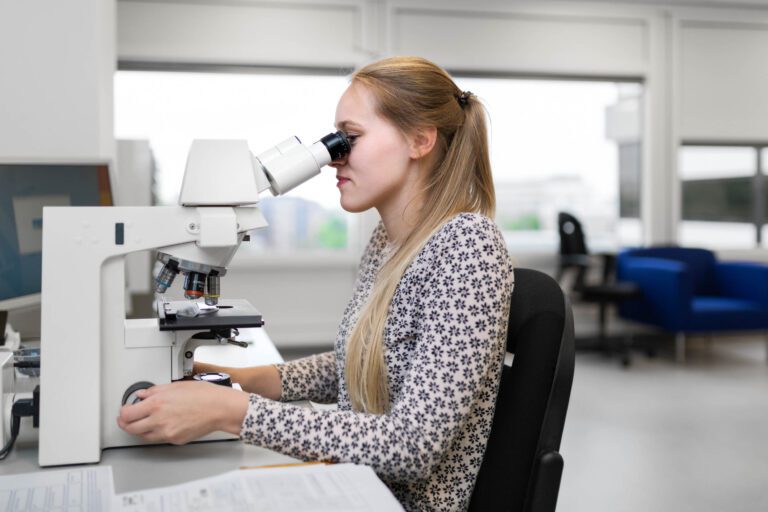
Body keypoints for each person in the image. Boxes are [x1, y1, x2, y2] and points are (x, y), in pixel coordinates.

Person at [118, 56, 514, 511]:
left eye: (351, 137)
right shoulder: (388, 241)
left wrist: (231, 412)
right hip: (356, 488)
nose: (333, 158)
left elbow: (412, 446)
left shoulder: (468, 246)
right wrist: (242, 381)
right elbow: (364, 362)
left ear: (420, 140)